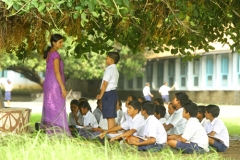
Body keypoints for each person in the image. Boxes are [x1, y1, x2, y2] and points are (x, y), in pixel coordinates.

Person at [41, 34, 71, 136]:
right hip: (54, 84)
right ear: (54, 43)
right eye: (60, 42)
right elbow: (57, 72)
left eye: (62, 42)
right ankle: (58, 133)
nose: (62, 44)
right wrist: (63, 88)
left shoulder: (50, 53)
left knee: (50, 106)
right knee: (57, 107)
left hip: (48, 83)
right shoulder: (55, 55)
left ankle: (50, 132)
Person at [96, 52, 120, 130]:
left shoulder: (110, 69)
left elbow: (105, 84)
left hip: (108, 93)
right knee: (111, 116)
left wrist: (101, 95)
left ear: (112, 60)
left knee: (109, 116)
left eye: (107, 58)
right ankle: (112, 132)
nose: (105, 59)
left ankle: (110, 132)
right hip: (112, 93)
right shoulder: (115, 69)